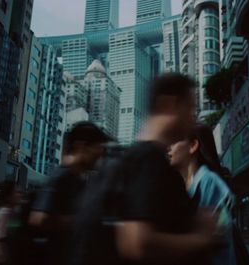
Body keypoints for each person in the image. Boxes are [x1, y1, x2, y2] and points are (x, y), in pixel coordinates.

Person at [73, 73, 218, 265]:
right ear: (169, 104)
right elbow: (137, 242)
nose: (193, 118)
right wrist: (202, 239)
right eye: (190, 108)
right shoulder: (148, 160)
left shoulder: (130, 160)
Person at [29, 122, 111, 265]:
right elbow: (38, 218)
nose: (100, 155)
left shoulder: (80, 178)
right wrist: (81, 220)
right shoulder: (62, 175)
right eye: (97, 148)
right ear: (81, 146)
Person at [168, 123, 237, 265]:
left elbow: (214, 238)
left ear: (193, 146)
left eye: (175, 140)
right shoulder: (185, 186)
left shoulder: (209, 181)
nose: (169, 146)